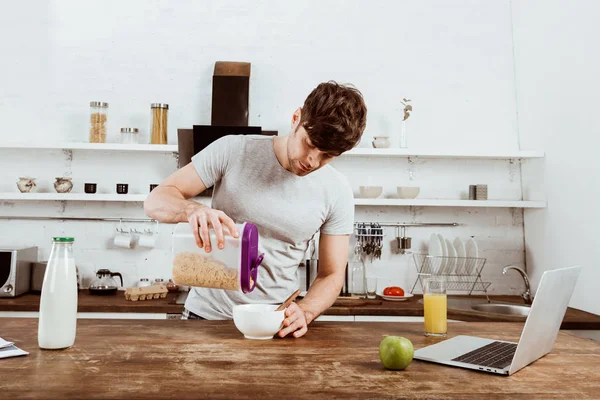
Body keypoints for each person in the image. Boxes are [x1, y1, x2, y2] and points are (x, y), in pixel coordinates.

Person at [144, 81, 367, 338]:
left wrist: (305, 310)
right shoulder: (233, 150)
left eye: (327, 155)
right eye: (309, 143)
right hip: (204, 318)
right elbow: (156, 200)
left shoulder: (337, 190)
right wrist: (191, 210)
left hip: (274, 324)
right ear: (296, 118)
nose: (312, 160)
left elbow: (331, 273)